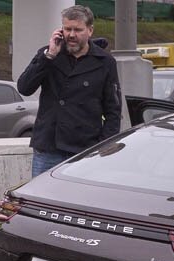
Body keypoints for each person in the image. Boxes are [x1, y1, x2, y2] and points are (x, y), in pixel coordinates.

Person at [16, 5, 121, 178]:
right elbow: (24, 88)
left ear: (90, 30)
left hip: (85, 150)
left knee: (80, 201)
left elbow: (113, 111)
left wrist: (102, 148)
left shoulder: (105, 62)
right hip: (49, 148)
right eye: (67, 29)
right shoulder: (49, 54)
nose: (71, 35)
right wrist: (48, 56)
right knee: (43, 199)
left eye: (78, 30)